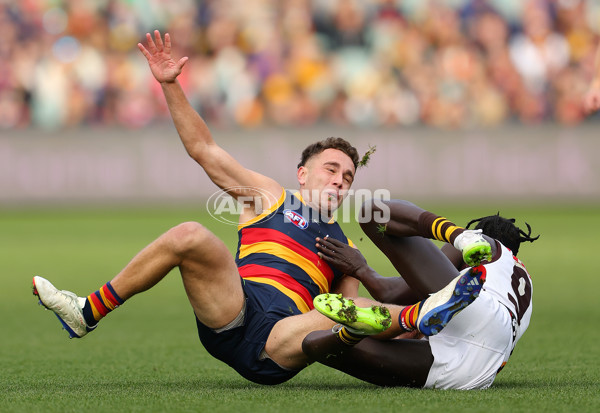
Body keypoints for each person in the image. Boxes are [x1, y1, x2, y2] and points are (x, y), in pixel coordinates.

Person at [31, 31, 486, 386]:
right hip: (233, 310)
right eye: (330, 169)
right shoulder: (269, 196)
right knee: (190, 234)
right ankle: (85, 312)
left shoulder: (343, 245)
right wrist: (171, 86)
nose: (340, 180)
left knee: (338, 311)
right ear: (302, 174)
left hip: (281, 343)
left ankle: (423, 317)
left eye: (348, 177)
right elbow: (204, 149)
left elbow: (355, 308)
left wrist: (394, 321)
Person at [302, 199, 539, 389]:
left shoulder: (487, 243)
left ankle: (458, 236)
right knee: (312, 344)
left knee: (372, 212)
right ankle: (373, 326)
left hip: (479, 311)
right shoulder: (524, 288)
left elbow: (394, 293)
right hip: (473, 376)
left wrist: (361, 269)